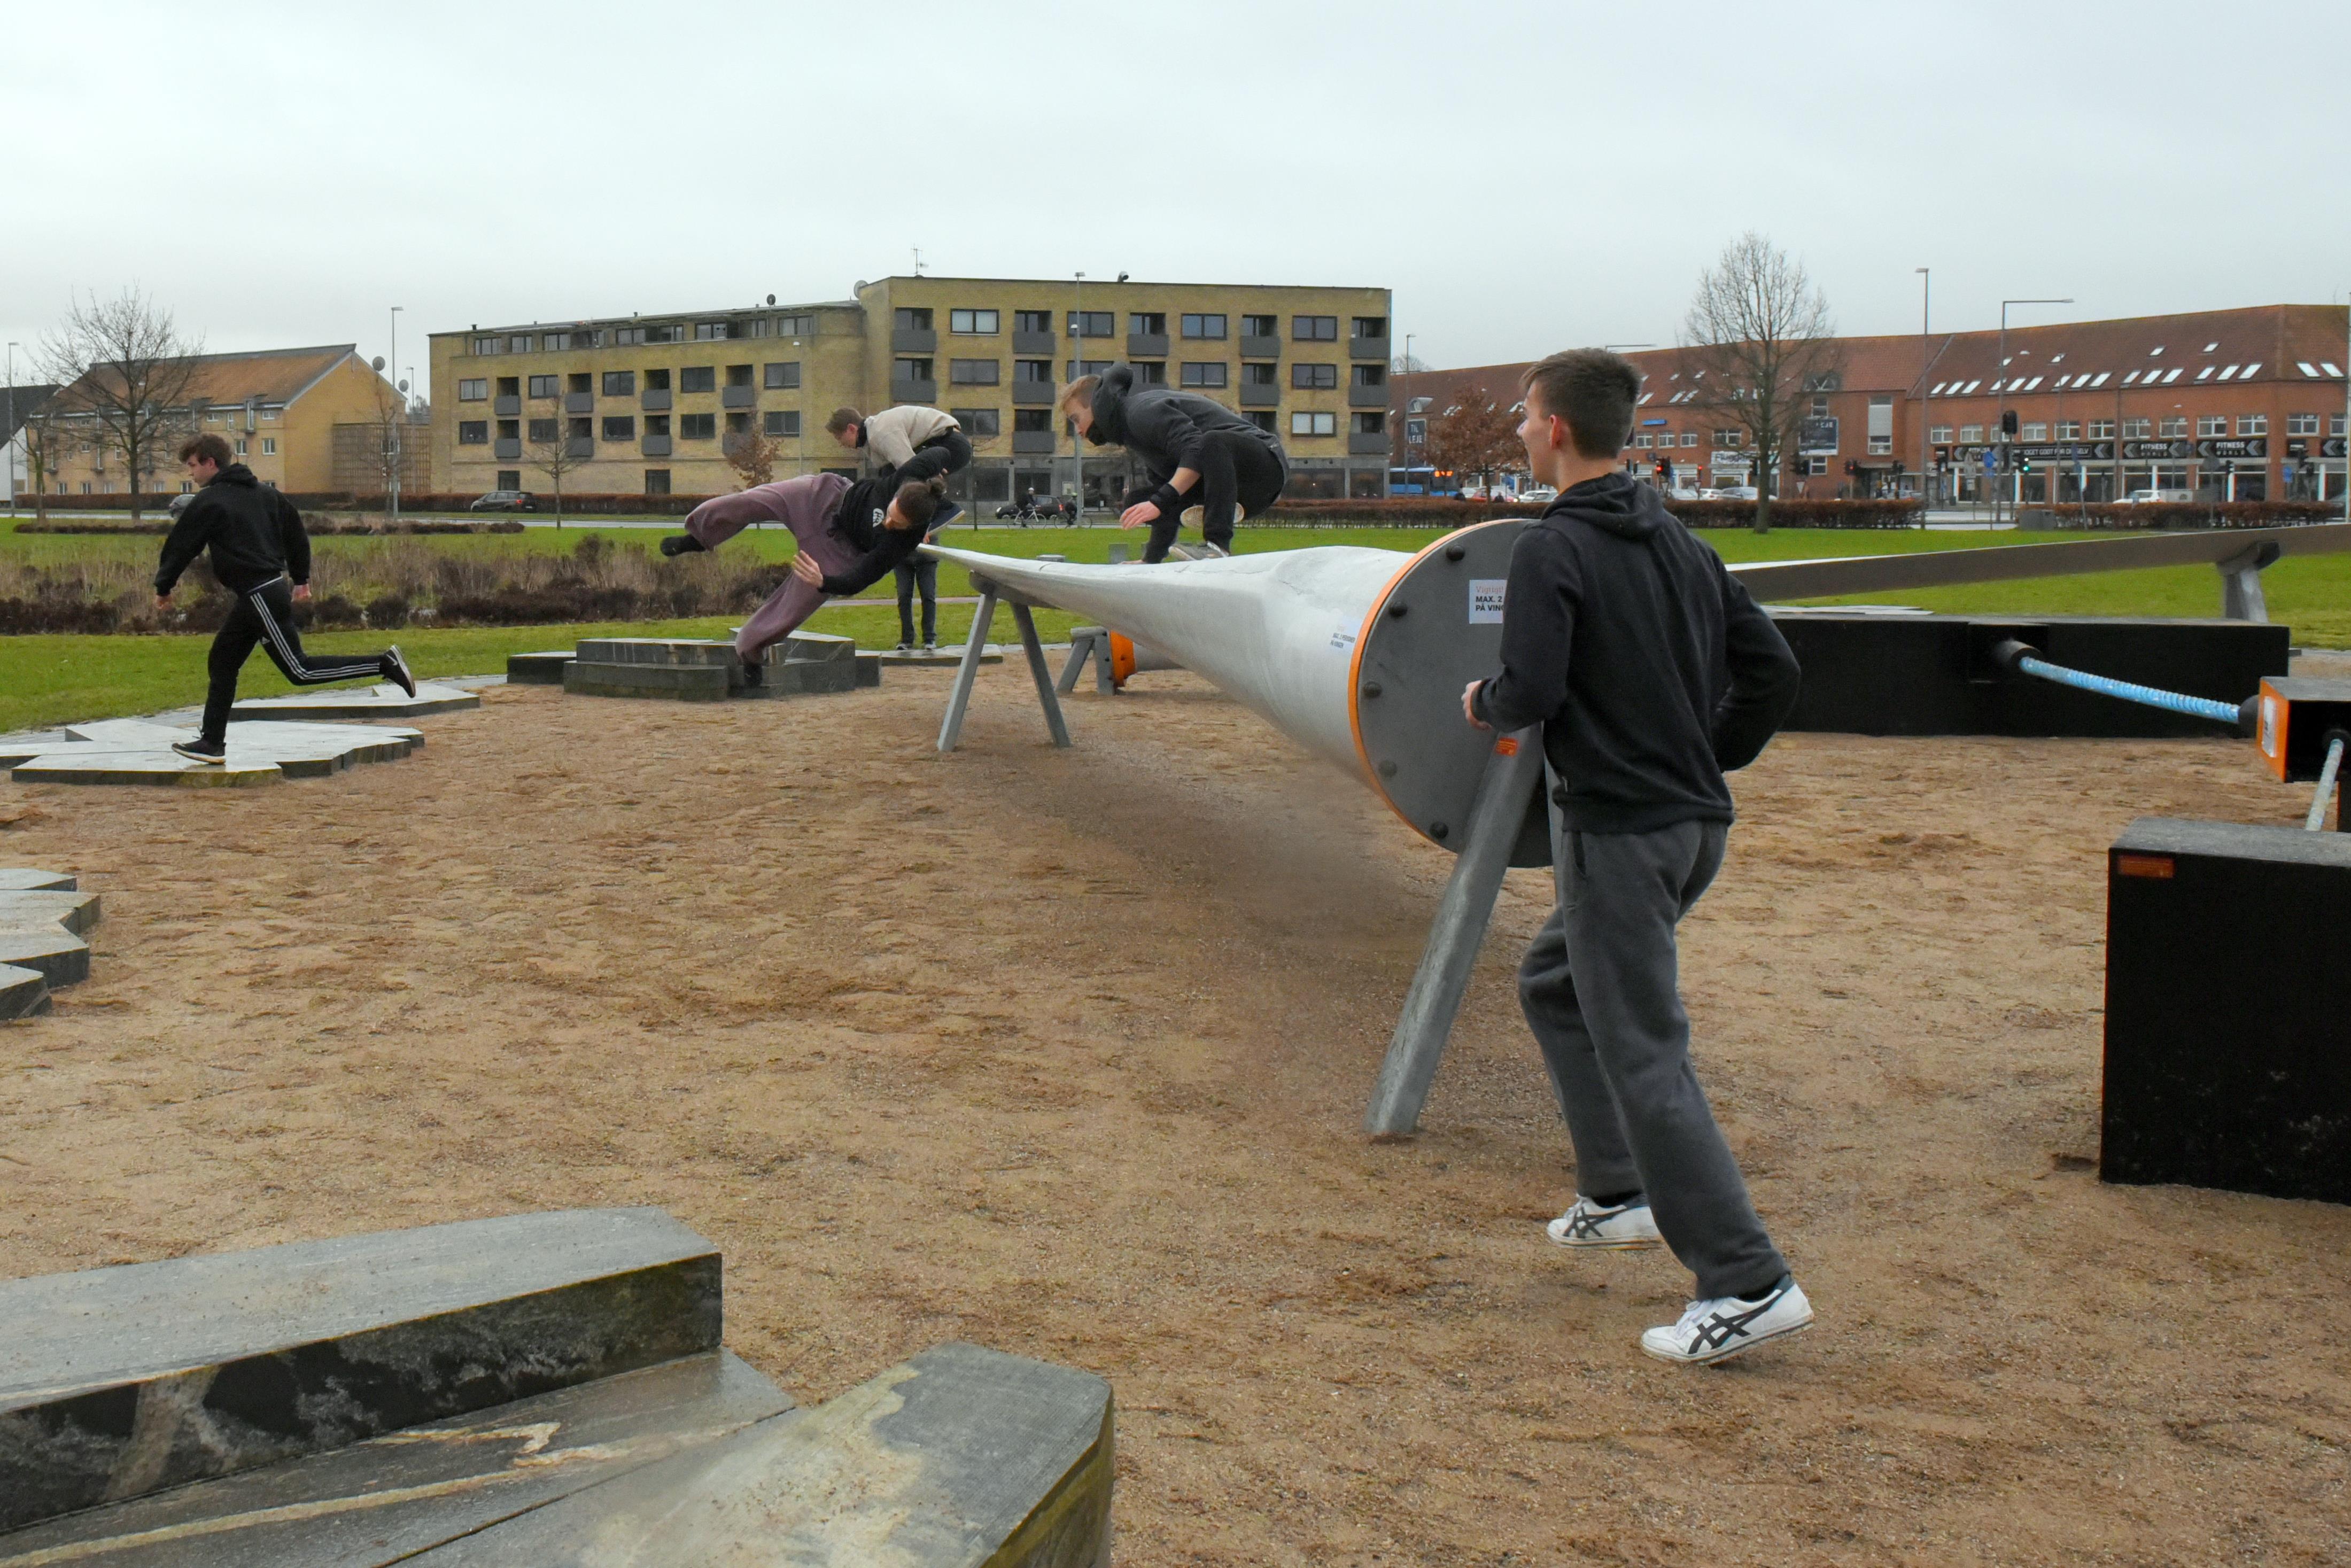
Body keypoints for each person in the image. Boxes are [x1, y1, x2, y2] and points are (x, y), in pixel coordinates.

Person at [1460, 348, 1806, 1367]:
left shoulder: (1551, 547)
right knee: (1554, 980)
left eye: (1524, 415)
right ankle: (1617, 1192)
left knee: (1645, 1050)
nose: (1520, 430)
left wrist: (1480, 701)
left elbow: (1529, 689)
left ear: (1557, 429)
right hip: (1692, 826)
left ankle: (1745, 1278)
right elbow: (1772, 669)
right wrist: (1703, 752)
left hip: (1618, 831)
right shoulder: (1681, 543)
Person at [153, 433, 415, 765]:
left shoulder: (210, 501)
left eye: (192, 466)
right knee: (222, 662)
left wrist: (164, 587)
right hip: (260, 594)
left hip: (260, 595)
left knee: (300, 671)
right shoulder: (267, 494)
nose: (190, 474)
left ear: (210, 463)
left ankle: (384, 663)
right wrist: (301, 580)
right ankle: (212, 743)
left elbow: (181, 545)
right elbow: (296, 534)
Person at [658, 471, 947, 682]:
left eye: (897, 523)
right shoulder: (903, 476)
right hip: (822, 498)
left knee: (794, 607)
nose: (888, 522)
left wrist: (824, 582)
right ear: (896, 495)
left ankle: (751, 655)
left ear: (912, 528)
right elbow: (948, 447)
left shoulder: (899, 545)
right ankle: (698, 537)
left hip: (837, 553)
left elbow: (860, 578)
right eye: (891, 513)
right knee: (757, 499)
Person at [1060, 365, 1287, 562]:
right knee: (1140, 501)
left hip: (1264, 466)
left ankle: (1218, 546)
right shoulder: (1134, 436)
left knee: (1211, 442)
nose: (1078, 431)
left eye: (1076, 420)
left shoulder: (1141, 412)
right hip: (1231, 486)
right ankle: (1215, 509)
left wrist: (1160, 501)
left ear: (1096, 404)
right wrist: (1151, 559)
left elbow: (1194, 449)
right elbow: (1167, 493)